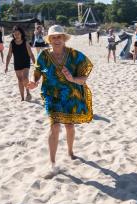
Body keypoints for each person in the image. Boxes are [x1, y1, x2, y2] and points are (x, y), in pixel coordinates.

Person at [26, 25, 93, 174]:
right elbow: (36, 72)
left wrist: (73, 78)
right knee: (55, 126)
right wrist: (34, 81)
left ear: (64, 39)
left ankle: (70, 151)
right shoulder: (43, 56)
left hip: (70, 95)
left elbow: (84, 78)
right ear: (49, 40)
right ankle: (52, 162)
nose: (57, 40)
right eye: (53, 37)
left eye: (59, 37)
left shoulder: (75, 56)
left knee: (69, 126)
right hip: (51, 95)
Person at [5, 26, 35, 101]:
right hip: (17, 63)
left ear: (21, 34)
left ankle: (28, 93)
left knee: (25, 78)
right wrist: (6, 66)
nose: (17, 35)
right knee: (20, 80)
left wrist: (35, 64)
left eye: (18, 34)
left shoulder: (25, 42)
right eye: (15, 34)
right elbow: (9, 55)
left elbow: (31, 54)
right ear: (13, 35)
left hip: (25, 62)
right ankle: (22, 98)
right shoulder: (12, 43)